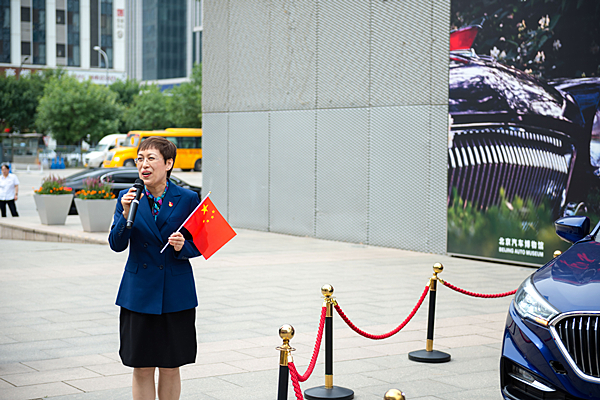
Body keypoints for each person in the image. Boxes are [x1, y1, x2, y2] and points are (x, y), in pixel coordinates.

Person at [109, 137, 201, 400]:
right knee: (141, 367)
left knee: (171, 367)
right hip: (138, 295)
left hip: (176, 294)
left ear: (168, 163)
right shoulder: (127, 198)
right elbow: (116, 244)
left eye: (150, 158)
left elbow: (200, 244)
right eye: (140, 159)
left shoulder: (186, 198)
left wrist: (183, 246)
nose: (143, 165)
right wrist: (126, 213)